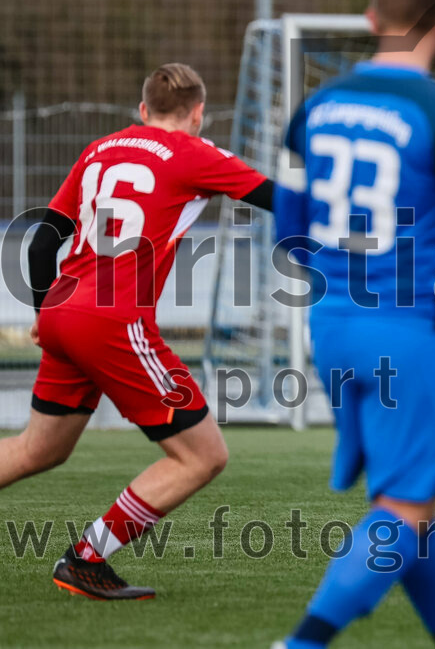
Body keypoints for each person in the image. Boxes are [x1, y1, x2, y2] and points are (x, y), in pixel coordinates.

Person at [272, 0, 435, 649]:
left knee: (411, 503)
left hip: (331, 323)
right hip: (406, 333)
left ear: (370, 20)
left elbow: (289, 230)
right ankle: (301, 643)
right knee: (404, 506)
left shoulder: (313, 110)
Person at [0, 63, 275, 598]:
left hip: (62, 309)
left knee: (38, 449)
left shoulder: (101, 149)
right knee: (204, 456)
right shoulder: (197, 153)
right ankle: (84, 559)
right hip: (112, 320)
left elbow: (39, 243)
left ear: (142, 111)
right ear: (198, 114)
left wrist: (41, 312)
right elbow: (279, 201)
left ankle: (85, 559)